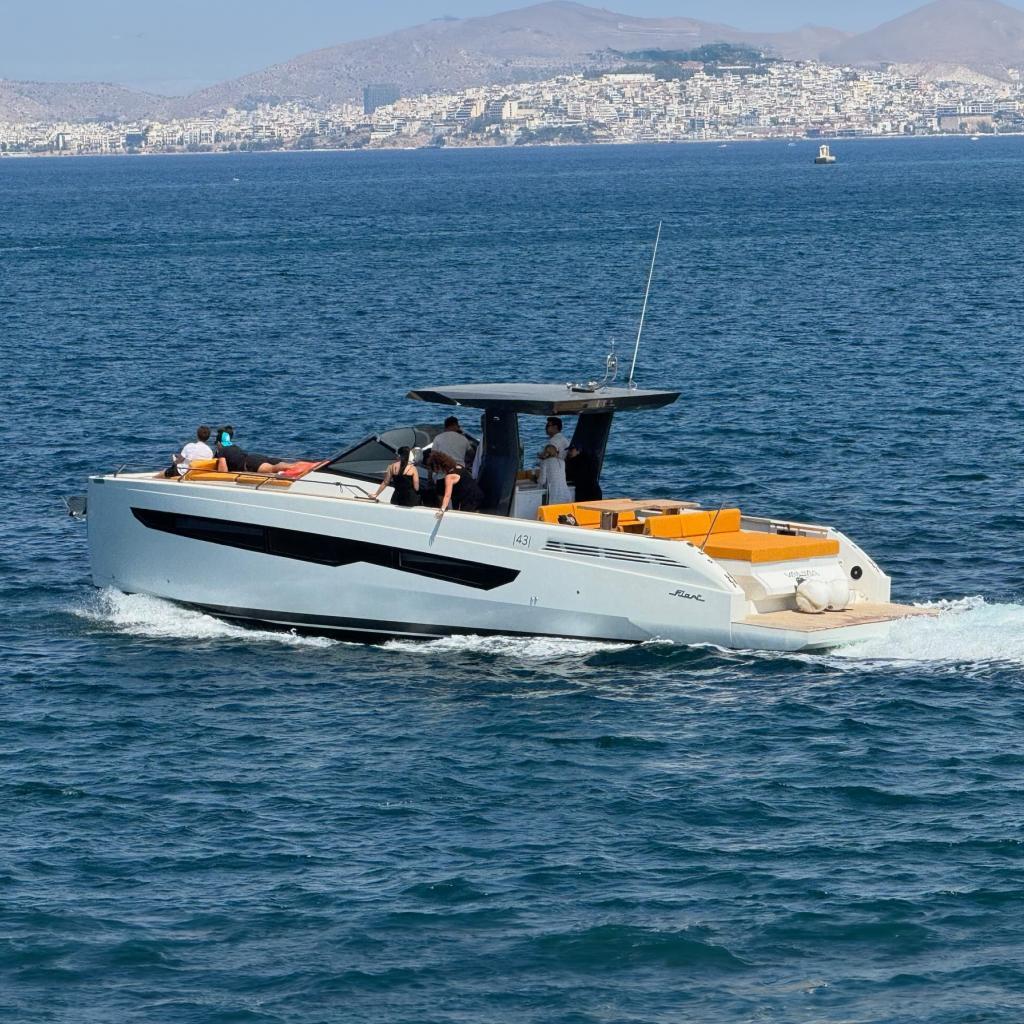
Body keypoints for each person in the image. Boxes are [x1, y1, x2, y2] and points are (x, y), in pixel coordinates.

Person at [214, 426, 299, 475]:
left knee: (272, 469)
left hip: (249, 463)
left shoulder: (222, 450)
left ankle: (294, 467)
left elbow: (223, 471)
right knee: (277, 463)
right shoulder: (235, 447)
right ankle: (298, 464)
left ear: (219, 443)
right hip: (255, 457)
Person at [427, 450, 484, 517]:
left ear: (438, 466)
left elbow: (447, 495)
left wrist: (442, 509)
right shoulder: (458, 466)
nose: (435, 472)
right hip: (478, 496)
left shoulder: (449, 477)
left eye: (434, 469)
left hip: (469, 501)